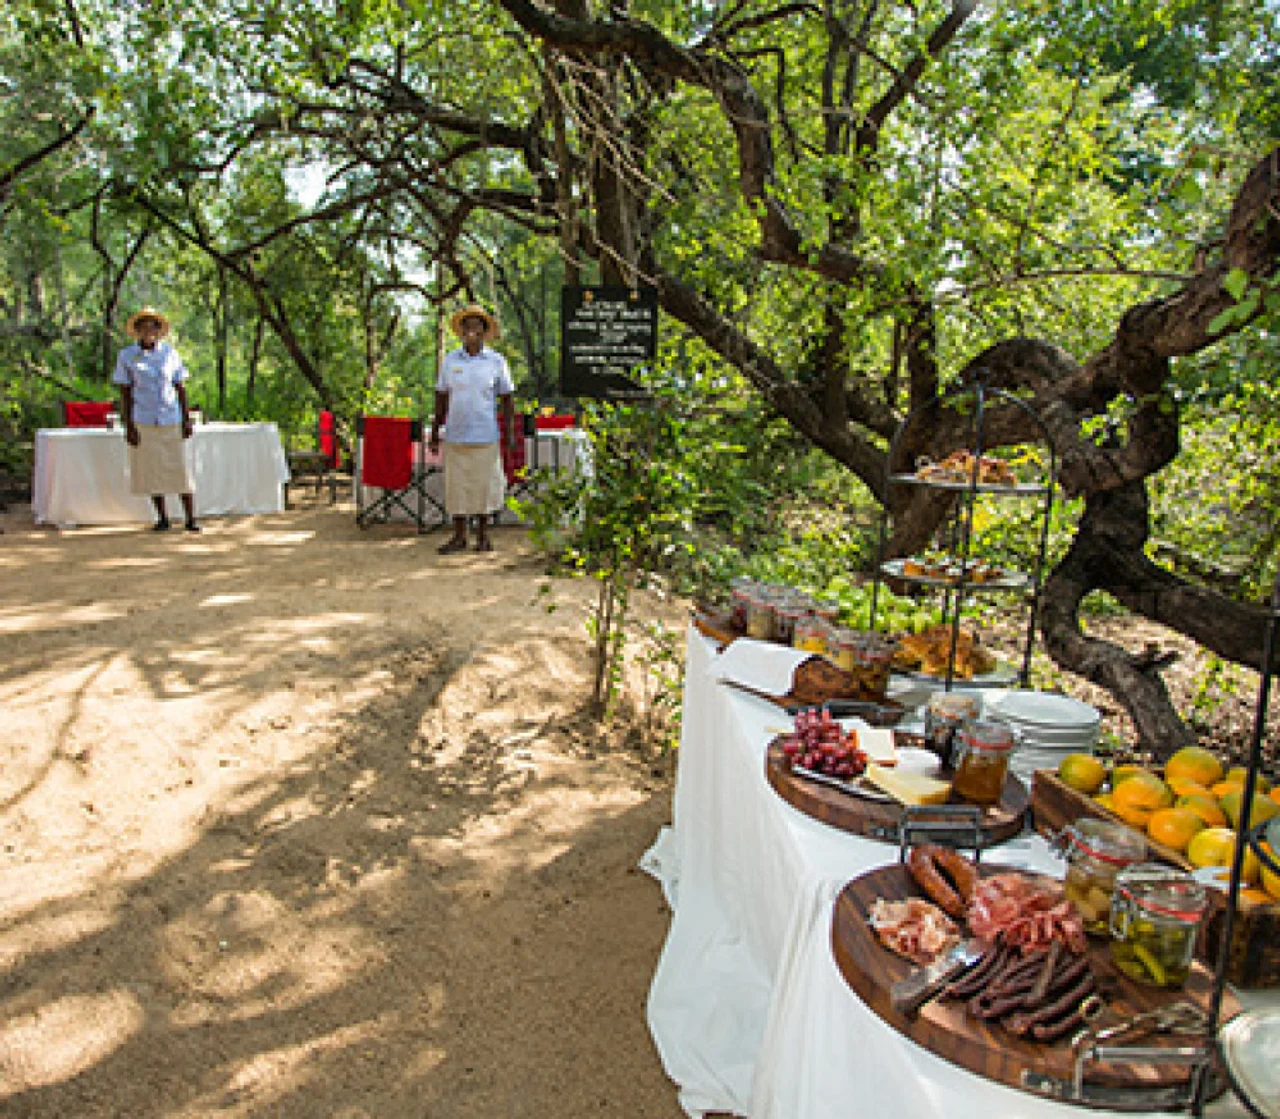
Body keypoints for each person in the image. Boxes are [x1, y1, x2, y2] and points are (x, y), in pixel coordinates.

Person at [429, 303, 518, 554]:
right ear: (461, 331)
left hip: (485, 434)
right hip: (456, 434)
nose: (471, 330)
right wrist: (436, 432)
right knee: (457, 486)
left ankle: (483, 536)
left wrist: (510, 434)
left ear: (484, 330)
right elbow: (441, 397)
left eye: (477, 325)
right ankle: (459, 536)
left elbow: (508, 399)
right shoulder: (450, 361)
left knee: (484, 486)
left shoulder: (496, 362)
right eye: (467, 325)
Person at [113, 306, 200, 532]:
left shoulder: (169, 354)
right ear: (138, 330)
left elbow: (179, 386)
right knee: (150, 470)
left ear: (158, 330)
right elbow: (126, 392)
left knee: (179, 468)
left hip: (170, 417)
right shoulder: (127, 356)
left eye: (152, 326)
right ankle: (163, 517)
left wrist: (186, 418)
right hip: (144, 418)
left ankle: (191, 518)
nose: (148, 330)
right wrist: (129, 425)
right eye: (143, 326)